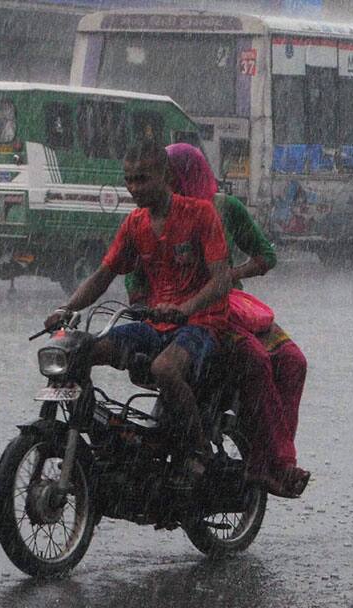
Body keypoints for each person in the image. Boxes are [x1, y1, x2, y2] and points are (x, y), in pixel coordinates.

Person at [44, 140, 232, 490]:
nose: (133, 188)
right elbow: (103, 274)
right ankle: (106, 441)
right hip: (154, 325)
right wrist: (67, 308)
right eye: (128, 180)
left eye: (142, 179)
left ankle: (197, 451)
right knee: (79, 351)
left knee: (164, 368)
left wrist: (185, 308)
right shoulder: (134, 223)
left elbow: (222, 280)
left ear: (166, 176)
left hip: (201, 324)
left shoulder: (200, 214)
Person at [127, 143, 310, 498]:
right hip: (185, 319)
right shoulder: (149, 218)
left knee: (292, 361)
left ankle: (275, 457)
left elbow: (265, 256)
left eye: (169, 175)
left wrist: (226, 276)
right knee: (254, 360)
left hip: (228, 308)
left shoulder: (223, 208)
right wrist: (147, 305)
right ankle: (271, 464)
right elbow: (131, 272)